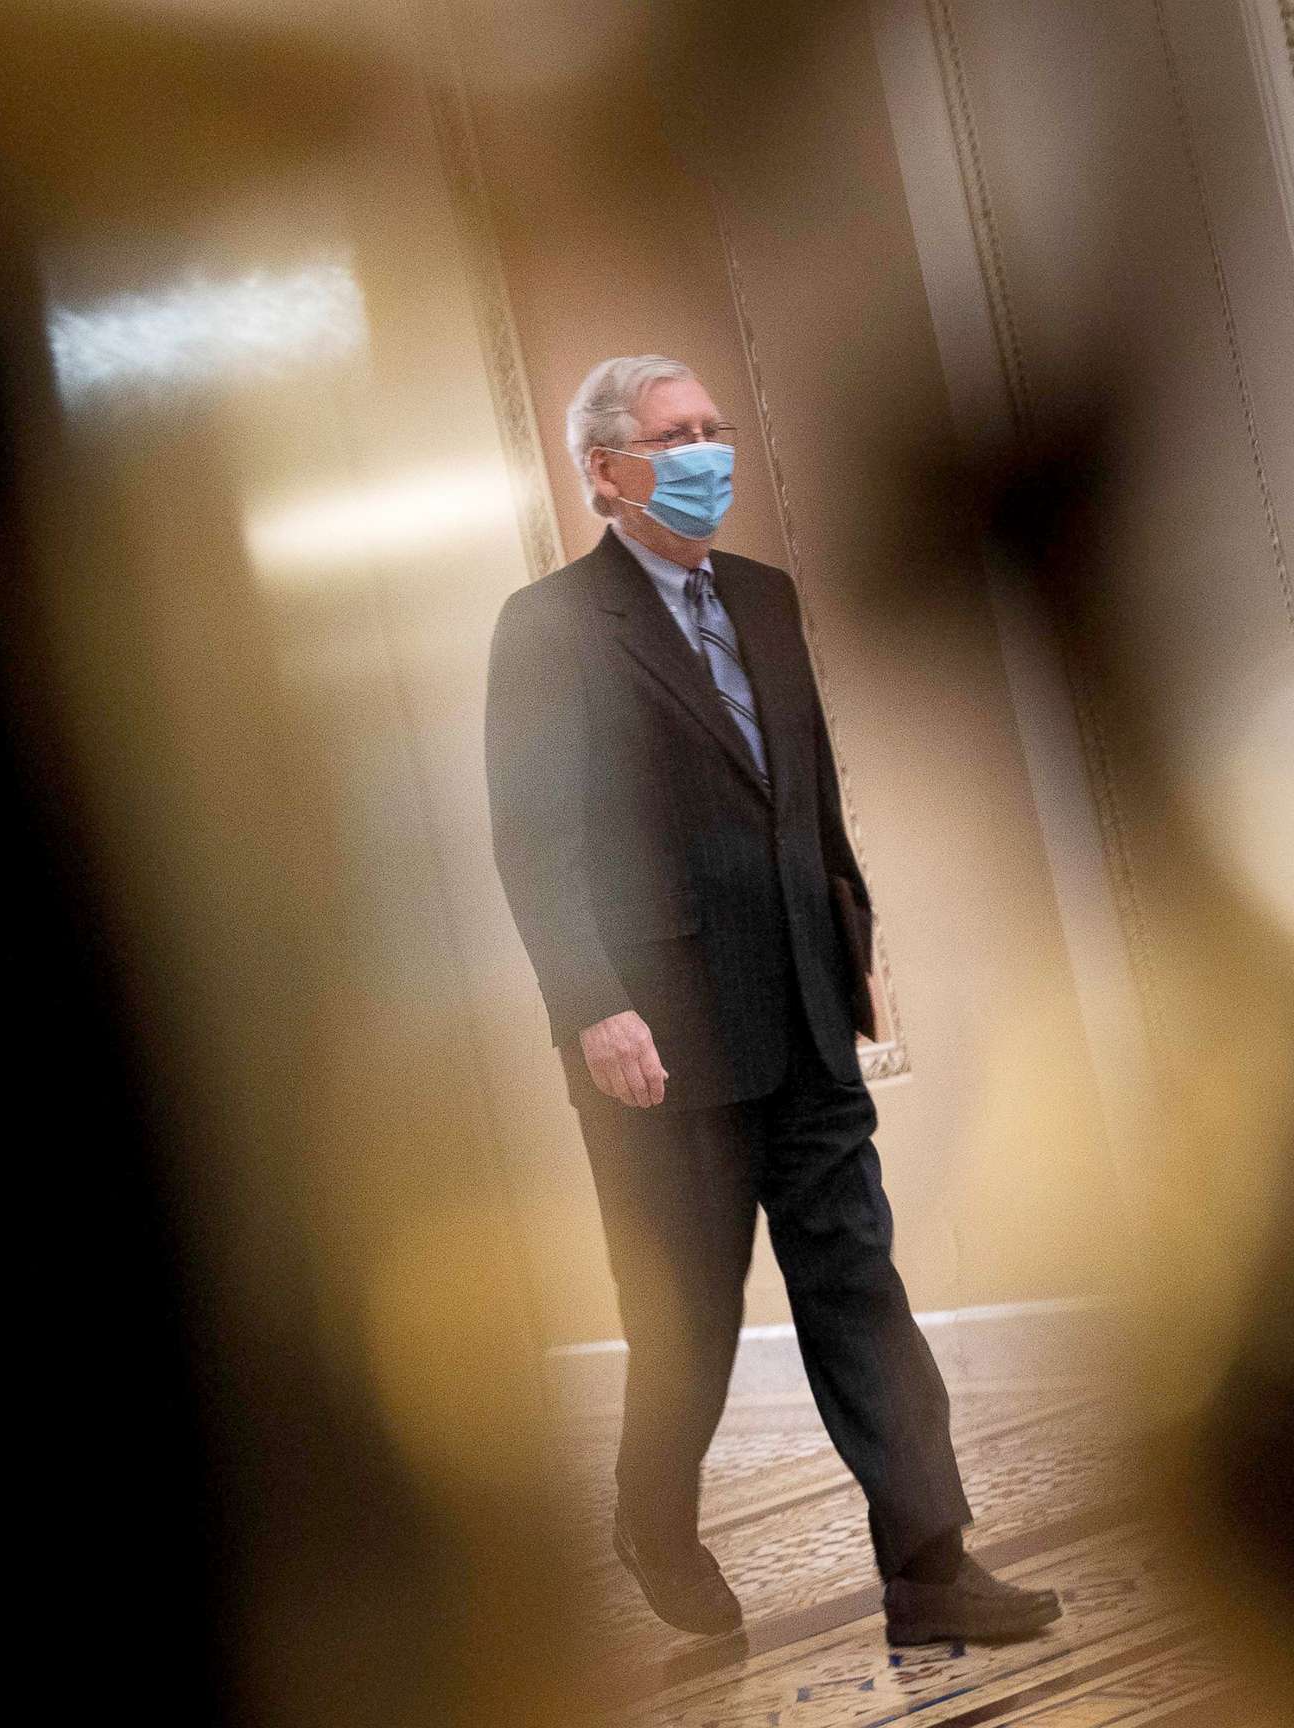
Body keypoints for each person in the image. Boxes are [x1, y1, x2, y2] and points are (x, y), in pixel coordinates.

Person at [484, 354, 1060, 1646]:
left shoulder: (766, 597)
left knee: (857, 1285)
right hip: (662, 1039)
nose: (706, 454)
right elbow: (535, 838)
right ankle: (653, 1512)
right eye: (675, 437)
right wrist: (595, 1006)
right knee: (683, 1321)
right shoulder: (552, 626)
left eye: (713, 429)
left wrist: (849, 937)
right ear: (606, 473)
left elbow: (803, 789)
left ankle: (930, 1572)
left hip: (803, 1008)